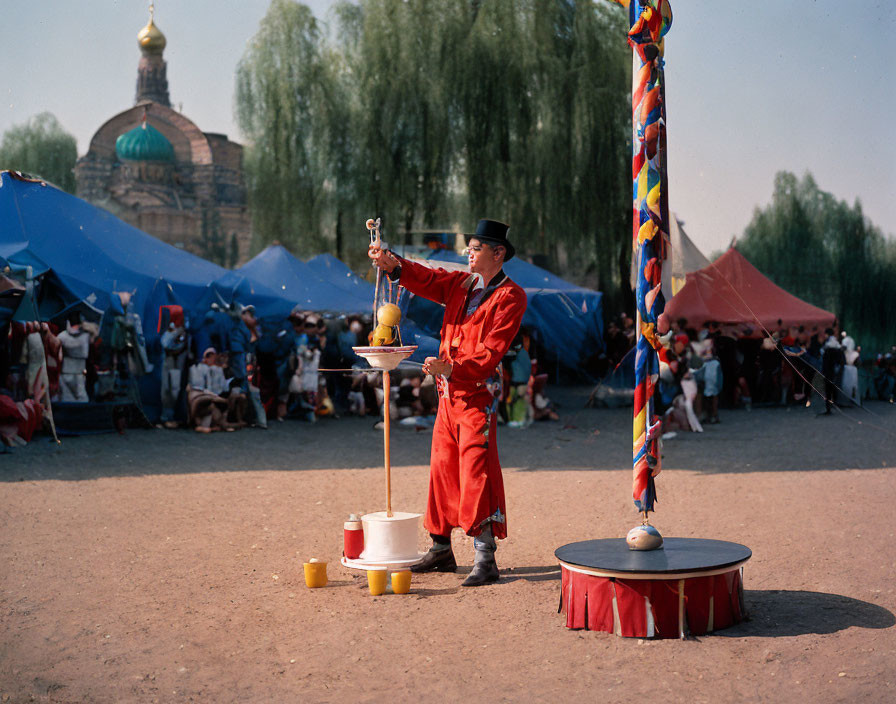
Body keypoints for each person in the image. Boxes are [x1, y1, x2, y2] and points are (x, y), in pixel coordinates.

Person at [369, 218, 527, 587]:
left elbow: (491, 352)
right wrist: (394, 264)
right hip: (447, 391)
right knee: (441, 465)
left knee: (475, 467)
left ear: (497, 253)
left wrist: (451, 366)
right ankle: (440, 547)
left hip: (477, 393)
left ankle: (485, 556)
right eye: (469, 248)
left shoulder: (511, 296)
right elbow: (427, 278)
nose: (467, 254)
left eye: (474, 248)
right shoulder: (460, 283)